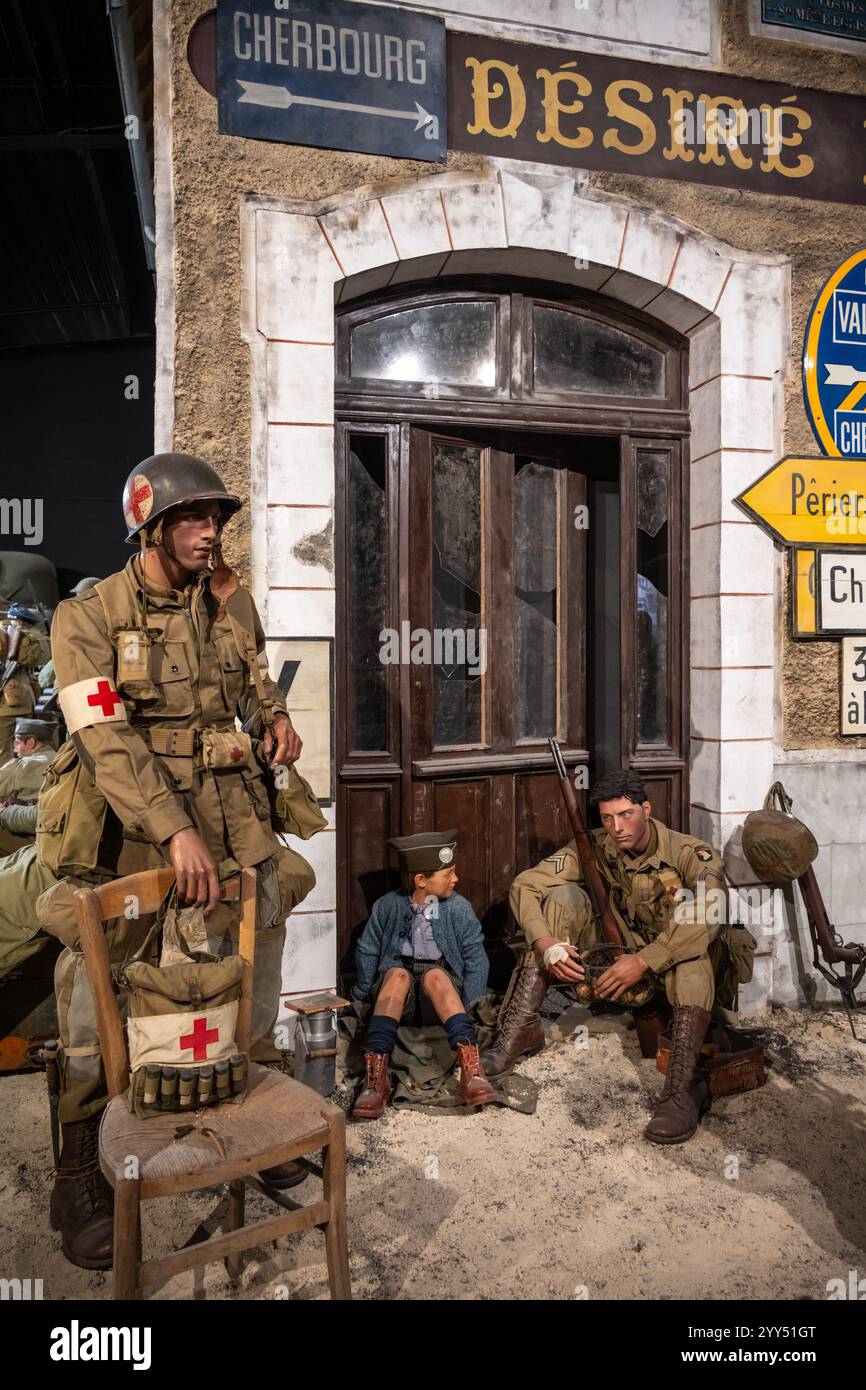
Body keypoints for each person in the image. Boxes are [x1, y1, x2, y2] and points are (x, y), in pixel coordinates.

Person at [39, 452, 320, 1269]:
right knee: (97, 989)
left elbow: (254, 677)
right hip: (128, 827)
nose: (211, 534)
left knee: (253, 958)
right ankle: (78, 1165)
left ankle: (248, 1120)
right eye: (195, 520)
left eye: (217, 520)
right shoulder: (86, 616)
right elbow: (104, 736)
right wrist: (171, 830)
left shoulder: (227, 604)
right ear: (153, 527)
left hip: (231, 815)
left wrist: (276, 721)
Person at [481, 769, 730, 1145]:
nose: (617, 827)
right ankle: (520, 1032)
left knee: (691, 957)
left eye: (626, 814)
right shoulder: (597, 846)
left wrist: (646, 959)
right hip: (621, 954)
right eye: (607, 818)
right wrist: (545, 942)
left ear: (646, 808)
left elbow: (710, 914)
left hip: (670, 963)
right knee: (563, 899)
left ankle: (683, 1090)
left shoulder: (690, 854)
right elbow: (526, 884)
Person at [351, 829, 497, 1118]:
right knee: (397, 975)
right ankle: (376, 1079)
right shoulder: (388, 905)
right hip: (398, 1000)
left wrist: (470, 1003)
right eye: (447, 874)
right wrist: (363, 995)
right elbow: (367, 950)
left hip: (439, 1000)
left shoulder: (458, 908)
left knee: (436, 976)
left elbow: (475, 957)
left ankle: (471, 1068)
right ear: (421, 881)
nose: (455, 879)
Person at [0, 604, 51, 763]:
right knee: (23, 748)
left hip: (6, 704)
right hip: (26, 698)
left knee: (4, 750)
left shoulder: (8, 636)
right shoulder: (32, 637)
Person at [0, 717, 57, 855]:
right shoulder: (58, 759)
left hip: (32, 838)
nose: (14, 749)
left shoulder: (22, 766)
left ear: (31, 742)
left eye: (18, 743)